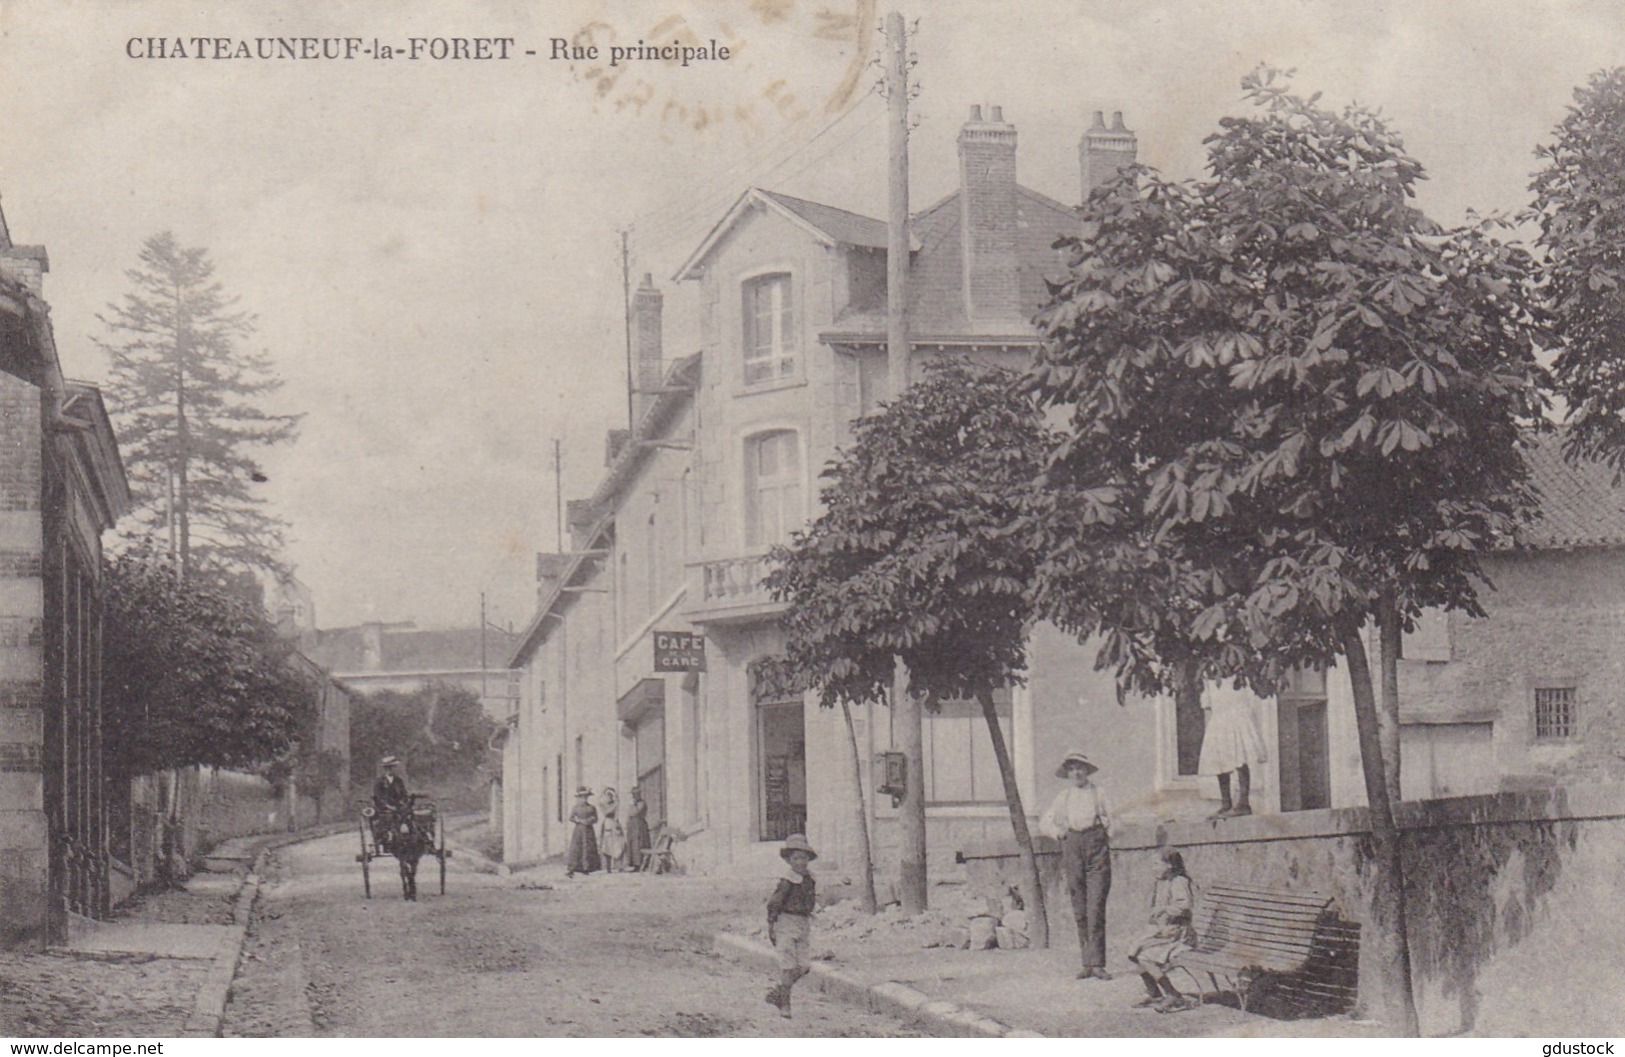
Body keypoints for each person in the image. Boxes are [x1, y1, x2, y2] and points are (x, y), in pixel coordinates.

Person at [1041, 750, 1113, 980]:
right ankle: (1086, 963)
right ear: (1068, 773)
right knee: (1080, 908)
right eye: (1072, 769)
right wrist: (1058, 833)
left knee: (1096, 906)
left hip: (1096, 847)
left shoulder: (1099, 793)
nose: (1076, 772)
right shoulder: (1064, 797)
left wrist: (1105, 835)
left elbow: (1116, 819)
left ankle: (1099, 963)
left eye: (1080, 767)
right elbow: (1046, 821)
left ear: (1087, 770)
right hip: (1072, 847)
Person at [1126, 846, 1199, 1012]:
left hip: (1179, 934)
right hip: (1166, 931)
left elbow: (1184, 906)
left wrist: (1165, 909)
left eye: (1157, 864)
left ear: (1170, 865)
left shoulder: (1179, 881)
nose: (1154, 868)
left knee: (1144, 957)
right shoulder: (1162, 882)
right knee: (1133, 951)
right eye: (1152, 864)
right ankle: (1154, 994)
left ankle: (1173, 995)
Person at [764, 833, 818, 1019]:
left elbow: (811, 899)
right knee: (787, 966)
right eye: (795, 858)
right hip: (786, 921)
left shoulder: (810, 879)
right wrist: (772, 925)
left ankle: (778, 993)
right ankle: (785, 1004)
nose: (800, 862)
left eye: (803, 858)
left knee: (804, 966)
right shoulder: (787, 881)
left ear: (808, 859)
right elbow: (774, 903)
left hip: (802, 923)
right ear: (788, 860)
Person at [1198, 690, 1268, 817]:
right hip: (1219, 717)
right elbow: (1207, 705)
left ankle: (1243, 802)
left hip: (1237, 714)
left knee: (1240, 757)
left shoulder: (1238, 673)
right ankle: (1226, 803)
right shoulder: (1207, 676)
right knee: (1220, 759)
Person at [371, 756, 409, 846]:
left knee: (408, 815)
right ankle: (383, 836)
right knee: (383, 819)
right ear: (385, 769)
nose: (392, 770)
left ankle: (406, 834)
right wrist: (387, 806)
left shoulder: (398, 780)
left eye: (393, 767)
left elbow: (404, 794)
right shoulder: (379, 781)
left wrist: (402, 803)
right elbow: (378, 796)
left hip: (398, 807)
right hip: (384, 808)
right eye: (389, 768)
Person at [565, 786, 601, 877]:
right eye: (581, 797)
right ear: (579, 798)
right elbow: (571, 818)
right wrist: (579, 821)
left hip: (588, 830)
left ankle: (587, 868)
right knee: (576, 848)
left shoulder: (591, 807)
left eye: (585, 797)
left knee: (587, 848)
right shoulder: (575, 808)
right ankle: (572, 868)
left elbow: (595, 818)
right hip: (579, 830)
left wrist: (589, 820)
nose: (583, 799)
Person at [599, 786, 626, 872]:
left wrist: (616, 799)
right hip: (608, 823)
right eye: (608, 796)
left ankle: (619, 865)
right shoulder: (603, 805)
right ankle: (608, 867)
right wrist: (615, 804)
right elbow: (607, 812)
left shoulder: (615, 803)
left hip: (615, 823)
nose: (609, 797)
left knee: (619, 844)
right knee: (607, 845)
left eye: (611, 796)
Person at [624, 785, 651, 871]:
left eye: (636, 794)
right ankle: (634, 864)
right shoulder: (632, 804)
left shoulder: (641, 803)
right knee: (632, 844)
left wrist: (633, 805)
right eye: (633, 794)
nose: (634, 796)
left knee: (639, 843)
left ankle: (640, 863)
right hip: (632, 826)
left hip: (639, 825)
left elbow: (635, 812)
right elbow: (629, 814)